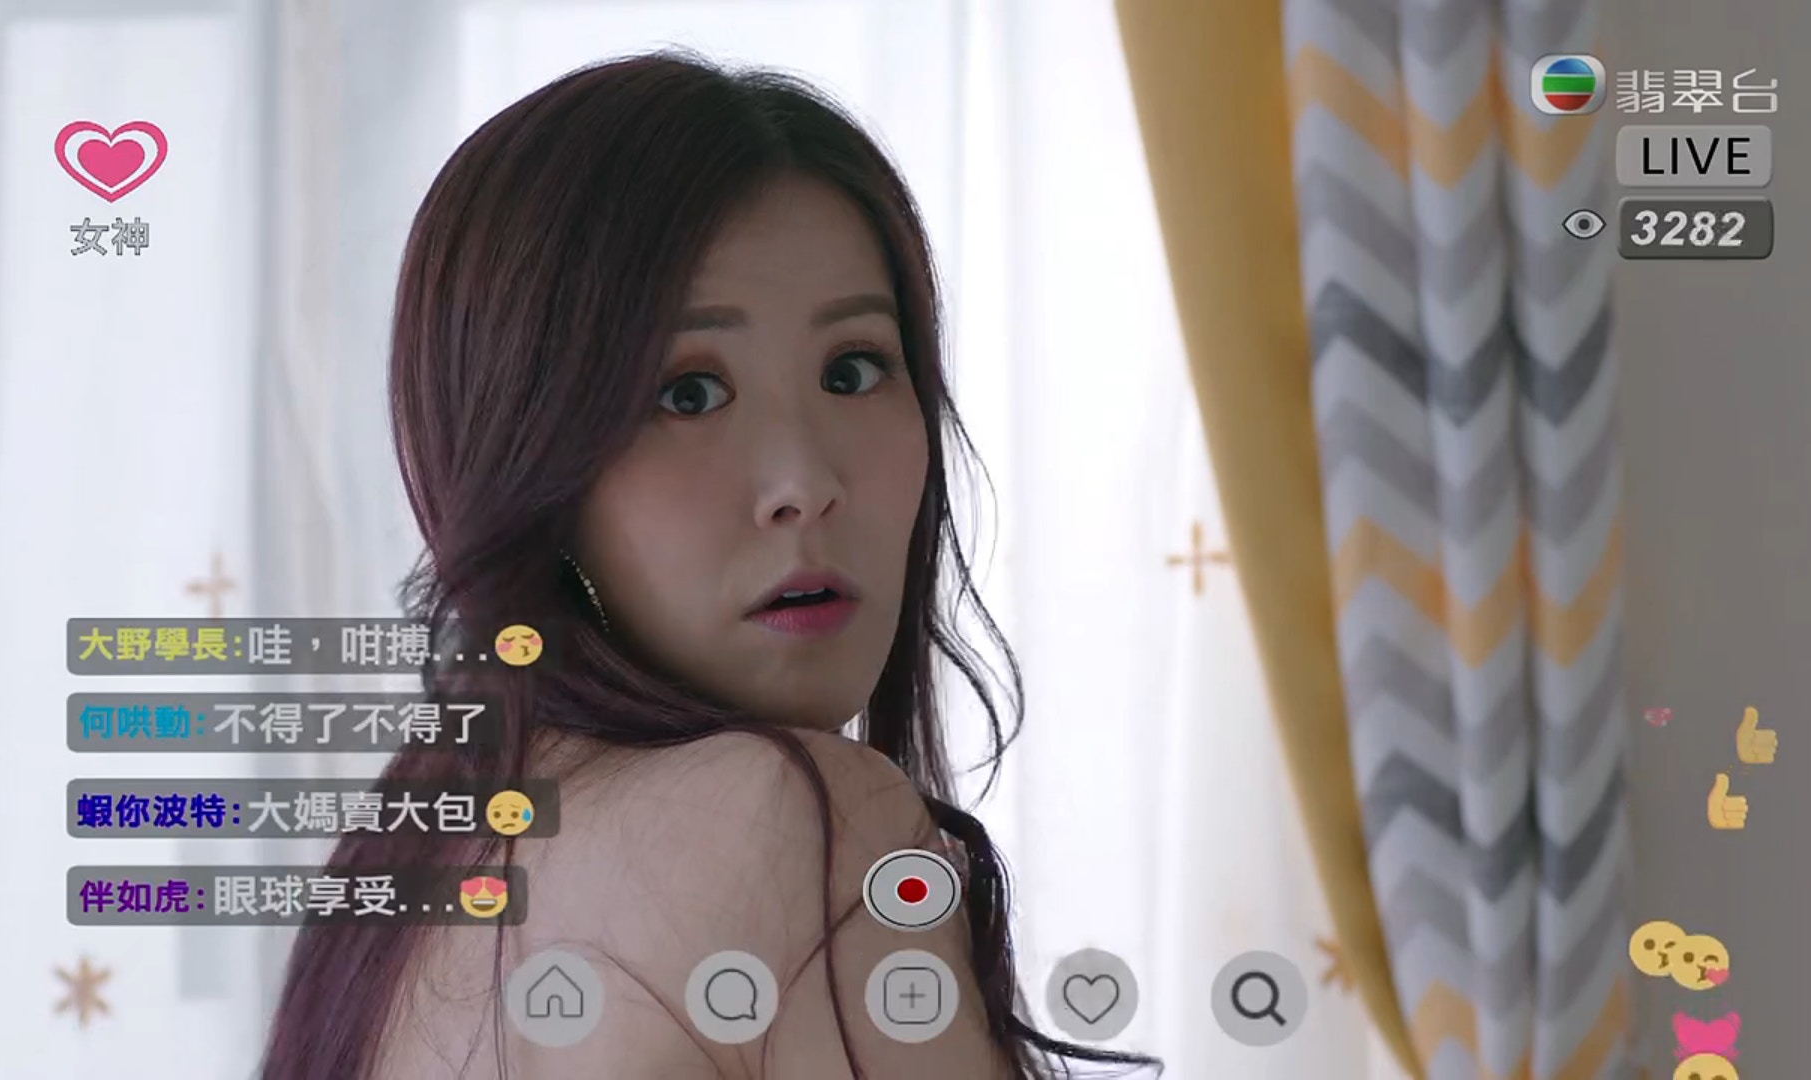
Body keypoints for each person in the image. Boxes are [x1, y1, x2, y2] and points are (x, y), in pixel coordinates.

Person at [259, 52, 1160, 1079]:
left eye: (852, 369)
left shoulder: (414, 865)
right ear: (529, 457)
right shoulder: (788, 819)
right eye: (688, 393)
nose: (803, 483)